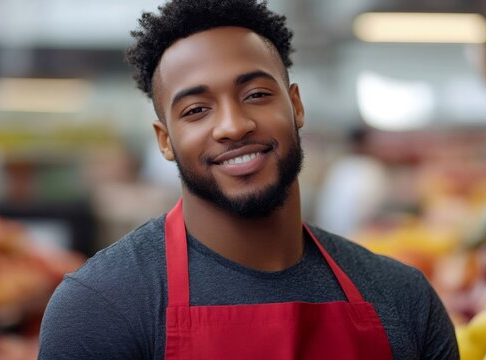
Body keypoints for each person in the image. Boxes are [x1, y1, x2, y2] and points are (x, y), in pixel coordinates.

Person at [38, 1, 459, 359]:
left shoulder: (403, 300)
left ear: (295, 106)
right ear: (165, 140)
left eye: (256, 95)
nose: (233, 126)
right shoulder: (101, 306)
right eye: (196, 110)